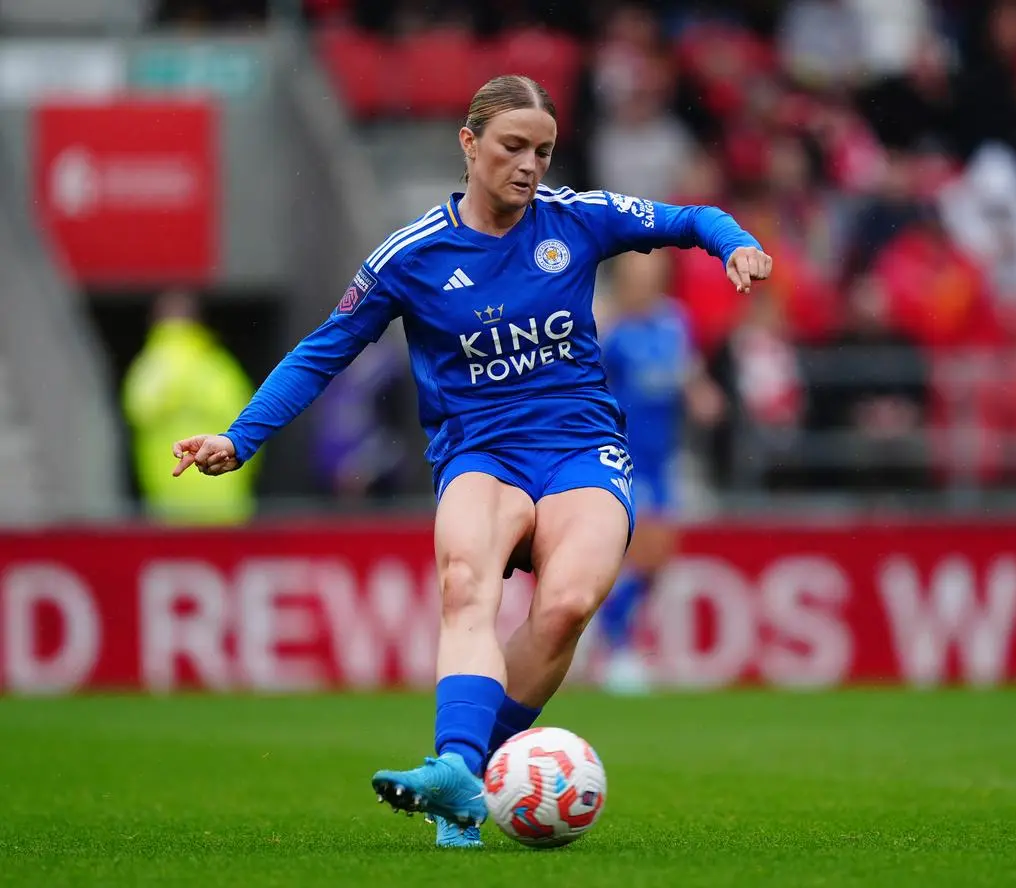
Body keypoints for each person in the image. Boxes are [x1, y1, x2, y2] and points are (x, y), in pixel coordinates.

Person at [170, 74, 772, 848]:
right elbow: (322, 353)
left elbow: (692, 217)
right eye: (513, 146)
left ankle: (468, 775)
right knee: (465, 586)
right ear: (469, 143)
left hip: (580, 448)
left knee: (564, 607)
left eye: (544, 150)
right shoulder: (410, 257)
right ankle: (455, 765)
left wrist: (740, 246)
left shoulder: (577, 220)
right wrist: (239, 437)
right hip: (479, 453)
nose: (529, 165)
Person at [596, 250, 724, 694]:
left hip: (663, 455)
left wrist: (701, 393)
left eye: (651, 276)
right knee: (641, 552)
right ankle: (619, 650)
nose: (643, 285)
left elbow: (686, 369)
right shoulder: (609, 329)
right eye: (636, 277)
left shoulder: (674, 322)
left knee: (657, 559)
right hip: (620, 455)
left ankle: (613, 638)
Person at [122, 289, 258, 525]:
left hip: (169, 501)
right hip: (226, 500)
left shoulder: (152, 365)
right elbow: (253, 426)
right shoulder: (219, 365)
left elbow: (137, 410)